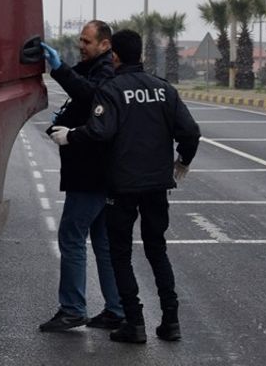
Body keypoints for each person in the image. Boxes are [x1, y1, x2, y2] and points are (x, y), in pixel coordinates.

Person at [50, 29, 201, 344]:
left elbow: (100, 132)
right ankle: (170, 321)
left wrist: (69, 136)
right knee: (157, 250)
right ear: (141, 55)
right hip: (158, 185)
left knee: (119, 253)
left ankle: (134, 323)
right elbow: (189, 131)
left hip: (123, 187)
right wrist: (183, 161)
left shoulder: (113, 90)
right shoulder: (163, 89)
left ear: (115, 55)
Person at [37, 21, 124, 333]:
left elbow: (90, 96)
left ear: (105, 45)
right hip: (94, 171)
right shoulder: (93, 66)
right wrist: (49, 64)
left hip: (91, 171)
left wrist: (59, 68)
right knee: (102, 241)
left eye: (87, 41)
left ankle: (73, 309)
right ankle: (116, 309)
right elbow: (77, 83)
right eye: (80, 40)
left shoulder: (106, 72)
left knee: (71, 237)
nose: (81, 46)